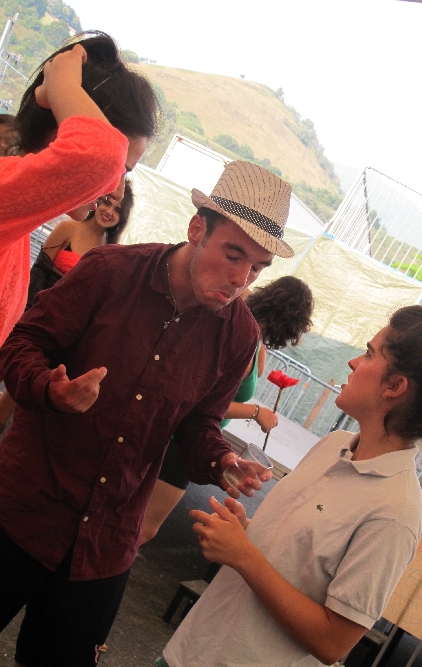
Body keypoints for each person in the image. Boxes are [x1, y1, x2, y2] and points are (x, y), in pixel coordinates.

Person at [0, 160, 294, 667]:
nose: (241, 279)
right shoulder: (110, 272)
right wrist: (51, 389)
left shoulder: (239, 335)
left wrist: (222, 461)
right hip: (23, 507)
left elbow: (198, 424)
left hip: (106, 542)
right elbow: (23, 343)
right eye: (233, 255)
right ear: (197, 228)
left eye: (257, 268)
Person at [158, 305, 422, 667]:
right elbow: (296, 563)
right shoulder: (334, 444)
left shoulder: (394, 512)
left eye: (368, 354)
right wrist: (245, 534)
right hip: (192, 649)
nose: (353, 362)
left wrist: (244, 556)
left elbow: (333, 641)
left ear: (395, 387)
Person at [0, 31, 161, 345]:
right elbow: (100, 153)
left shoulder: (18, 217)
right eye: (119, 169)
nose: (116, 189)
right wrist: (61, 83)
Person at [141, 276, 314, 544]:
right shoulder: (243, 341)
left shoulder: (251, 337)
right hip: (184, 439)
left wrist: (262, 341)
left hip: (186, 436)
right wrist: (256, 412)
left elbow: (256, 365)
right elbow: (202, 404)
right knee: (146, 526)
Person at [0, 182, 135, 434]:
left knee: (19, 389)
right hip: (32, 312)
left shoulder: (110, 251)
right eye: (107, 203)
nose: (109, 211)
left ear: (123, 218)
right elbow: (38, 270)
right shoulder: (68, 227)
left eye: (118, 210)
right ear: (98, 201)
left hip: (63, 329)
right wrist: (25, 313)